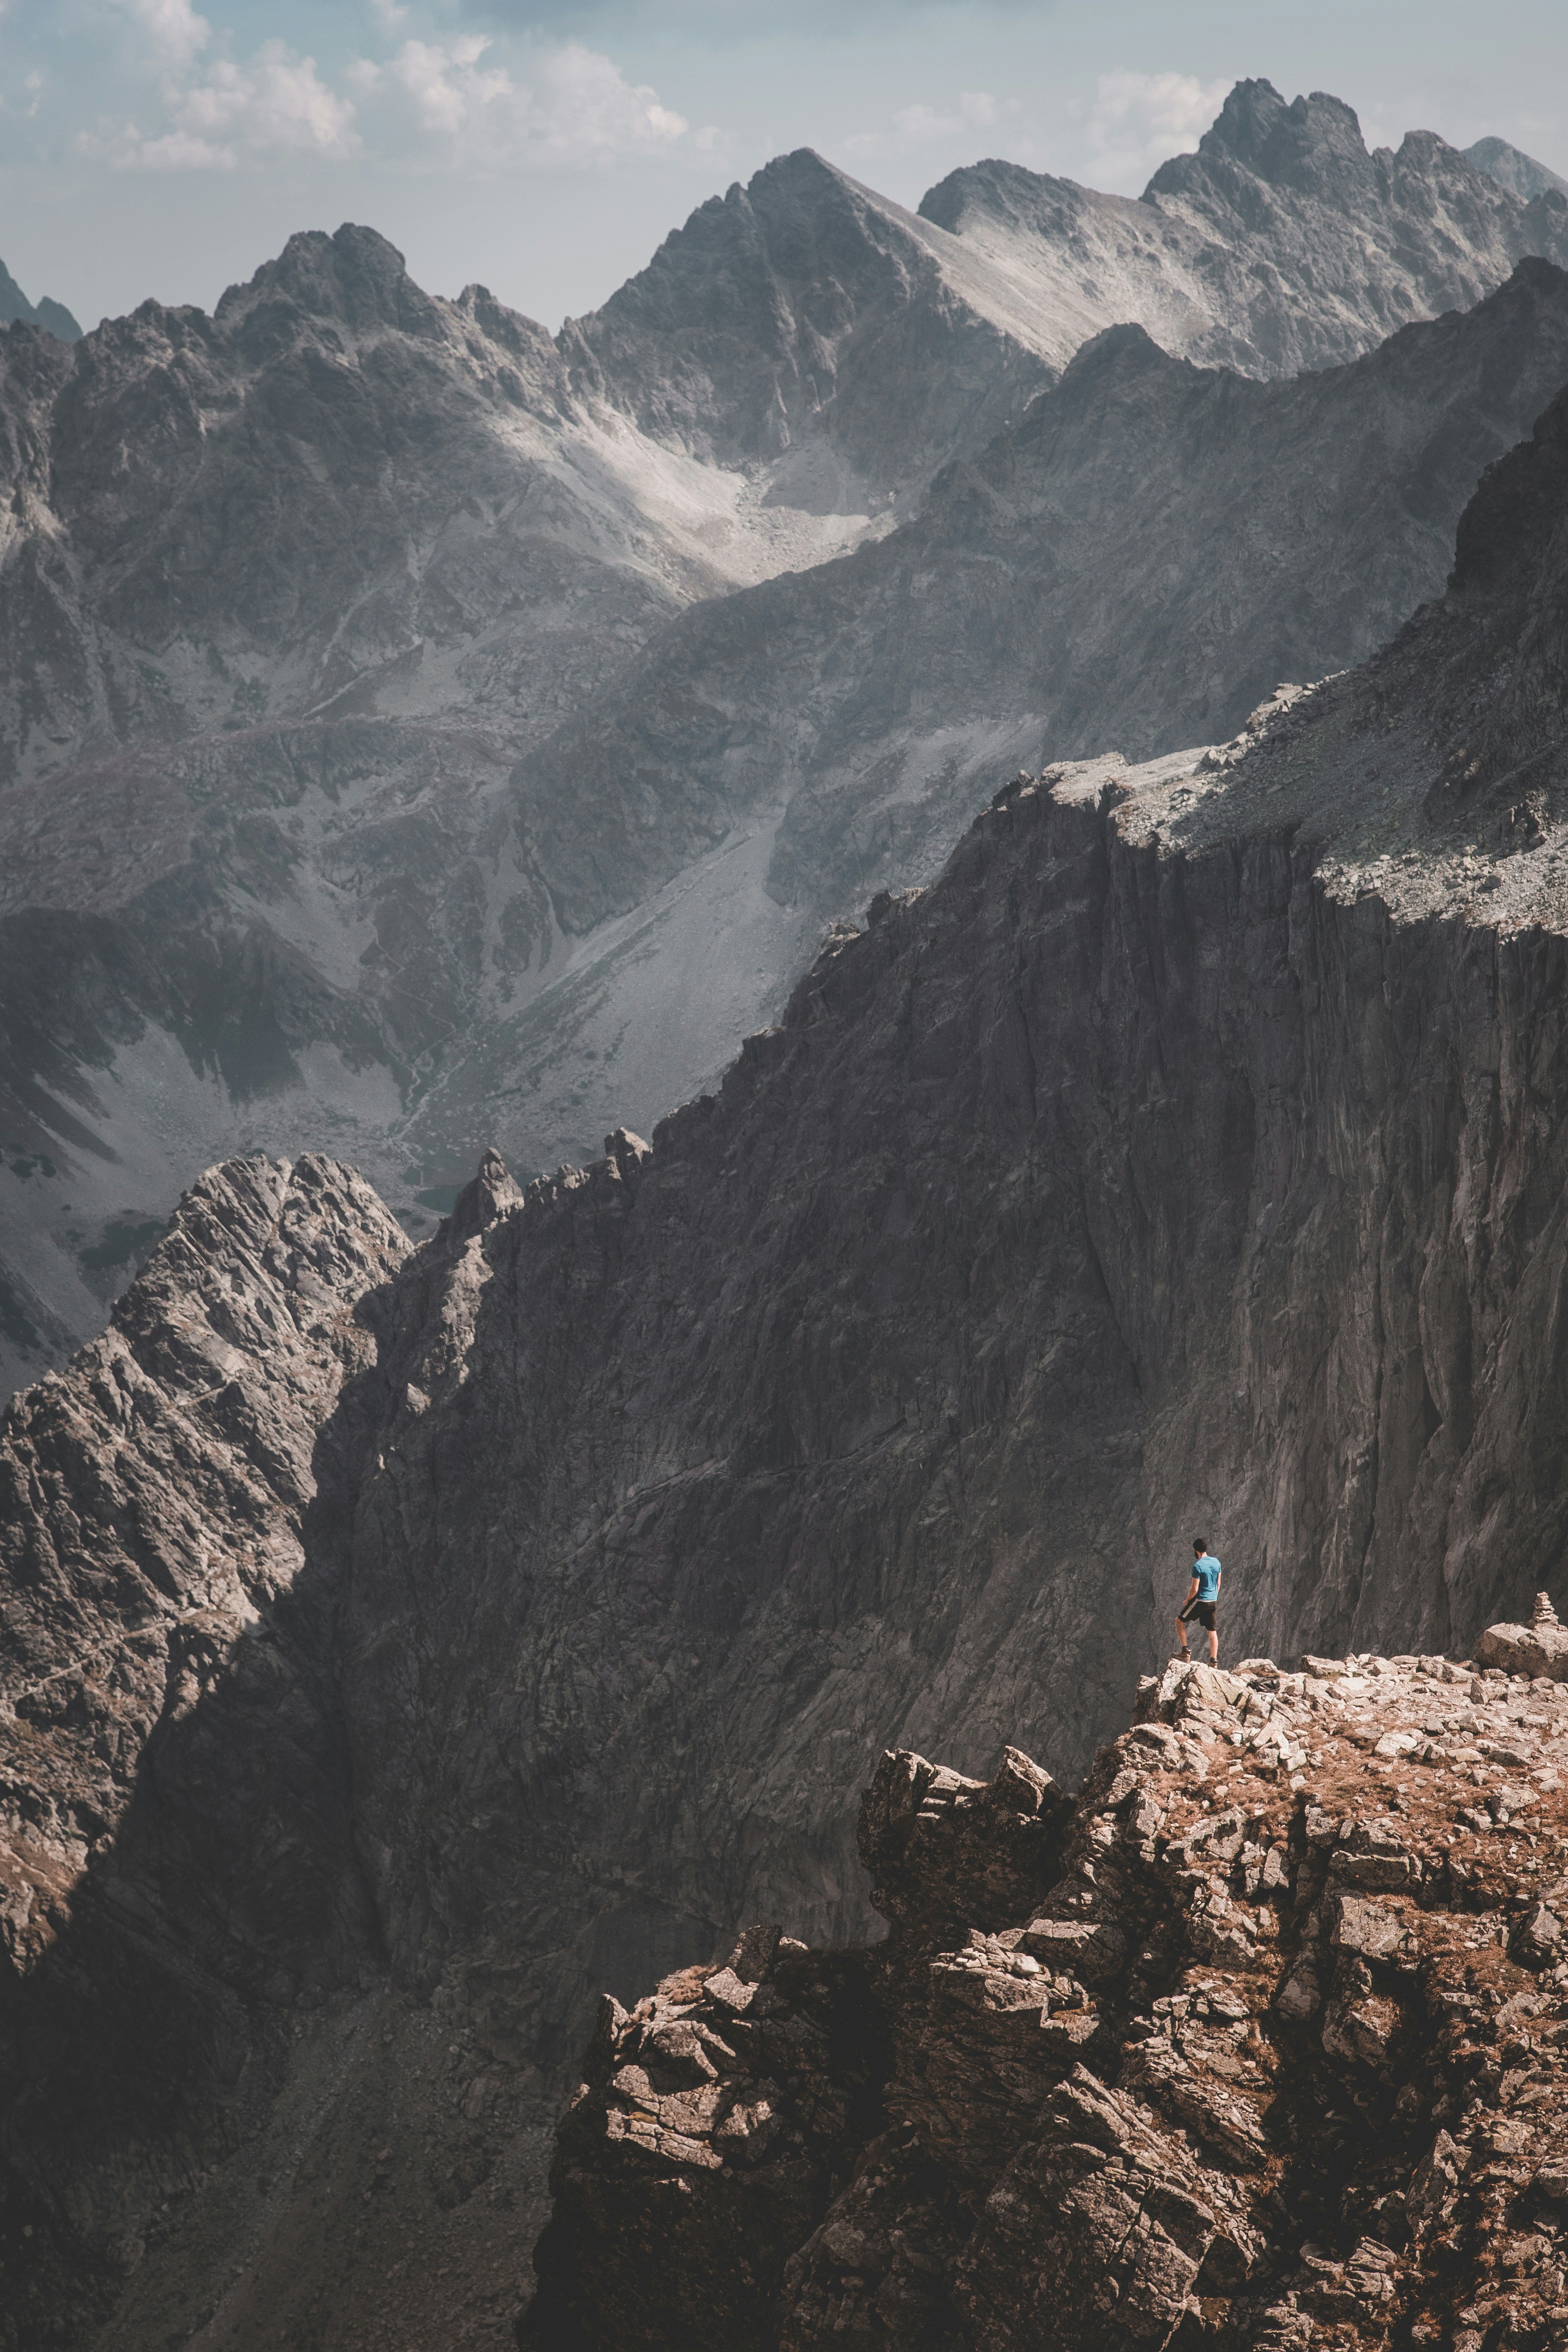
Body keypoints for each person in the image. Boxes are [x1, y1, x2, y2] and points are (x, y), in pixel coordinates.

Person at [1176, 1538, 1222, 1664]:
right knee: (1212, 1631)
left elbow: (1195, 1589)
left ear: (1196, 1551)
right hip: (1213, 1601)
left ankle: (1185, 1653)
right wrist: (1213, 1596)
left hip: (1201, 1600)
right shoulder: (1217, 1562)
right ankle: (1214, 1661)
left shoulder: (1197, 1566)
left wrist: (1188, 1601)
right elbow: (1218, 1584)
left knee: (1179, 1621)